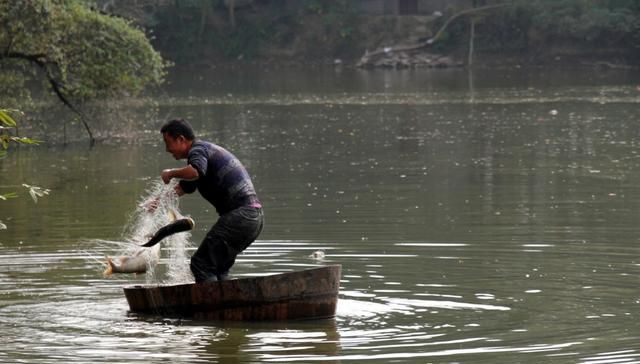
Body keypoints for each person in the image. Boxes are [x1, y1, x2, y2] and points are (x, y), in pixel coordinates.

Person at [158, 118, 264, 283]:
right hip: (253, 218)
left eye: (168, 142)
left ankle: (212, 306)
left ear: (181, 139)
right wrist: (157, 202)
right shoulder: (200, 155)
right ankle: (228, 304)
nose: (167, 149)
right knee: (218, 268)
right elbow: (185, 187)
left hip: (242, 216)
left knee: (201, 264)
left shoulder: (198, 150)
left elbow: (195, 172)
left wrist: (170, 172)